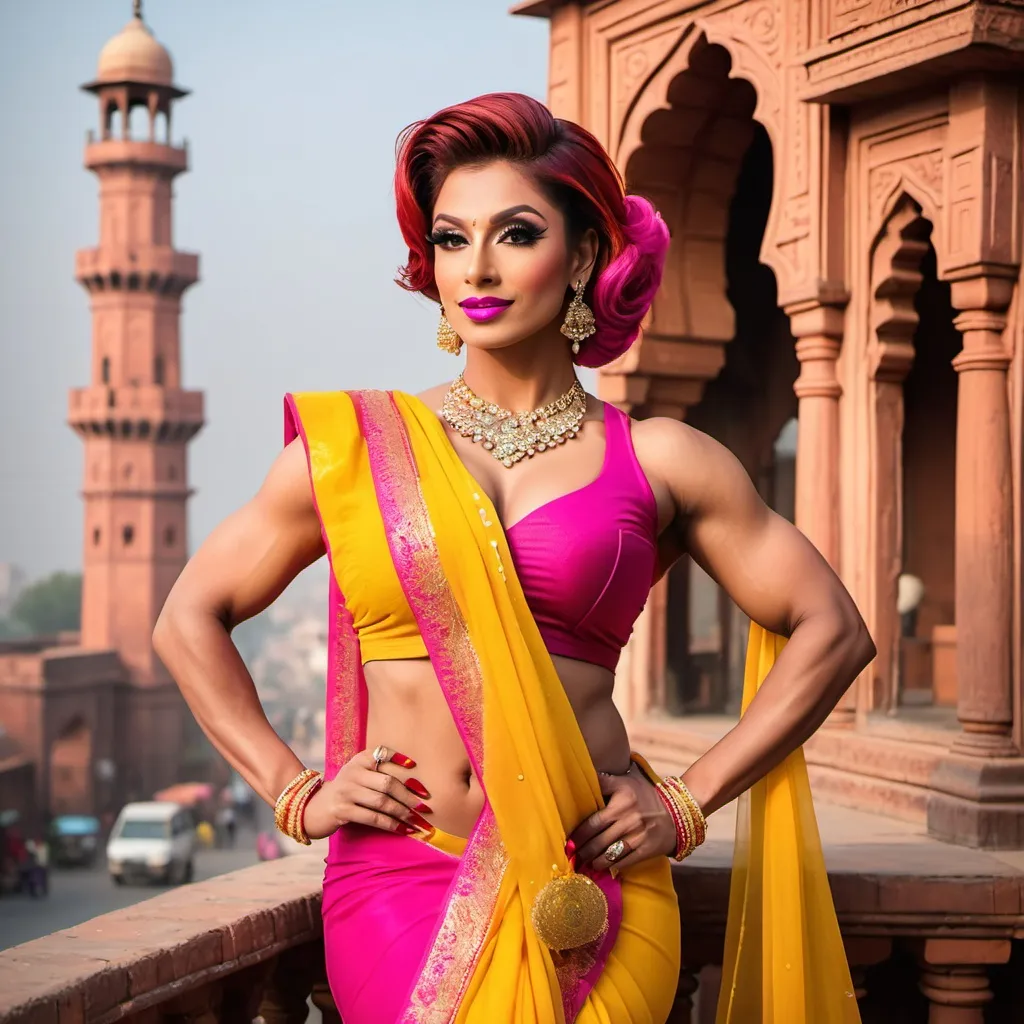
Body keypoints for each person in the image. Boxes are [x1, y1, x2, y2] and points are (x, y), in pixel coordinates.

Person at [154, 93, 875, 1024]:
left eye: (516, 232)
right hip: (398, 883)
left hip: (593, 881)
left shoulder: (661, 459)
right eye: (452, 240)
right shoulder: (354, 453)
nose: (478, 268)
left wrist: (688, 804)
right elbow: (187, 620)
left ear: (581, 255)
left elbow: (835, 629)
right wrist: (295, 792)